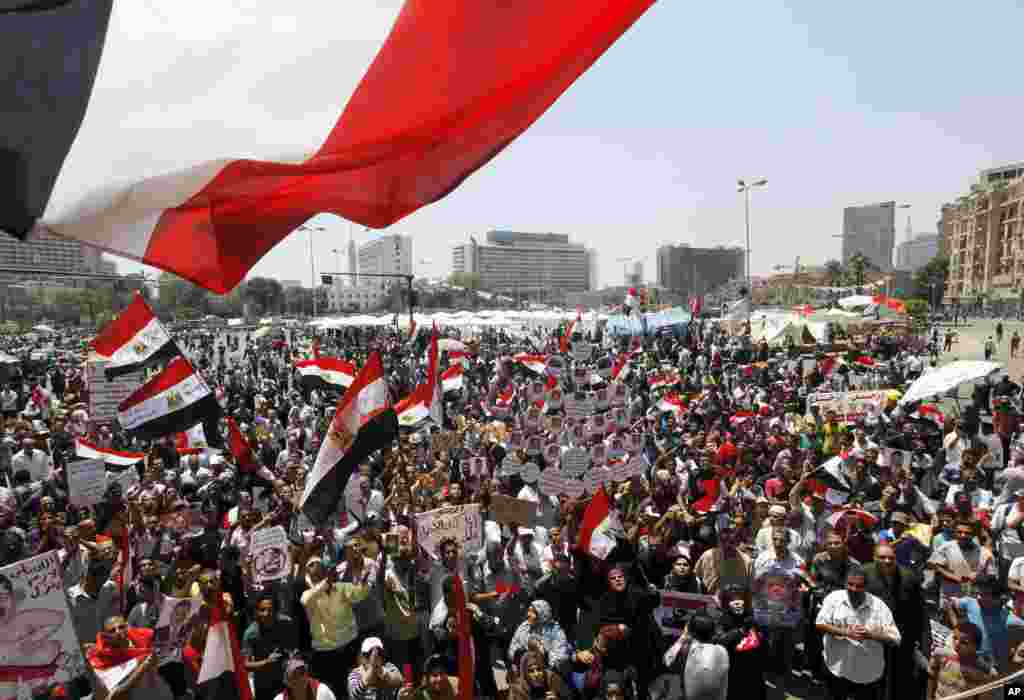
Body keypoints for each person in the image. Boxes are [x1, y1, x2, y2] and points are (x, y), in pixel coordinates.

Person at [815, 565, 901, 700]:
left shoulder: (879, 607)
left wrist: (870, 635)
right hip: (836, 667)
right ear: (844, 583)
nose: (854, 589)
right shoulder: (834, 599)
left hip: (866, 674)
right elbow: (820, 624)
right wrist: (846, 632)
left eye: (859, 586)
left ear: (866, 586)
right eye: (850, 584)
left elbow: (895, 639)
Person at [87, 615, 173, 700]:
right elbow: (115, 694)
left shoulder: (144, 638)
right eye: (112, 631)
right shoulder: (106, 658)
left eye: (121, 627)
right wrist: (143, 666)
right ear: (106, 636)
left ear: (127, 626)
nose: (118, 632)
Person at [243, 593, 300, 700]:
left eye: (270, 610)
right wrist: (266, 662)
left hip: (285, 682)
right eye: (262, 610)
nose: (266, 613)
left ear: (276, 611)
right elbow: (246, 664)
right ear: (256, 612)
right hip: (264, 685)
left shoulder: (286, 624)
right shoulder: (251, 633)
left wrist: (293, 658)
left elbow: (294, 649)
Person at [663, 612, 729, 700]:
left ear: (691, 632)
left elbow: (667, 661)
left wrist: (683, 637)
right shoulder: (722, 651)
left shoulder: (686, 651)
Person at [927, 622, 998, 700]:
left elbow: (985, 692)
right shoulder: (941, 655)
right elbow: (931, 675)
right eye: (955, 638)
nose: (957, 644)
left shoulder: (981, 669)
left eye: (964, 642)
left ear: (976, 647)